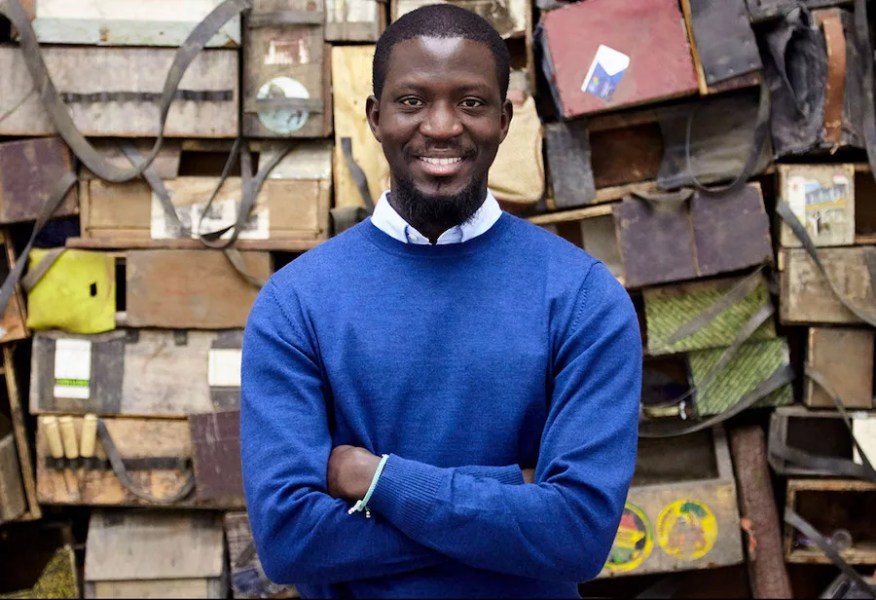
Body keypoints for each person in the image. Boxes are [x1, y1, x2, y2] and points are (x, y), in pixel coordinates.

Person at [240, 4, 642, 598]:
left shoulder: (584, 298)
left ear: (504, 120)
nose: (442, 126)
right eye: (412, 101)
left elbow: (577, 536)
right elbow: (290, 540)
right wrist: (513, 497)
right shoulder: (294, 304)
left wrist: (377, 480)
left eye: (471, 103)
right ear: (375, 117)